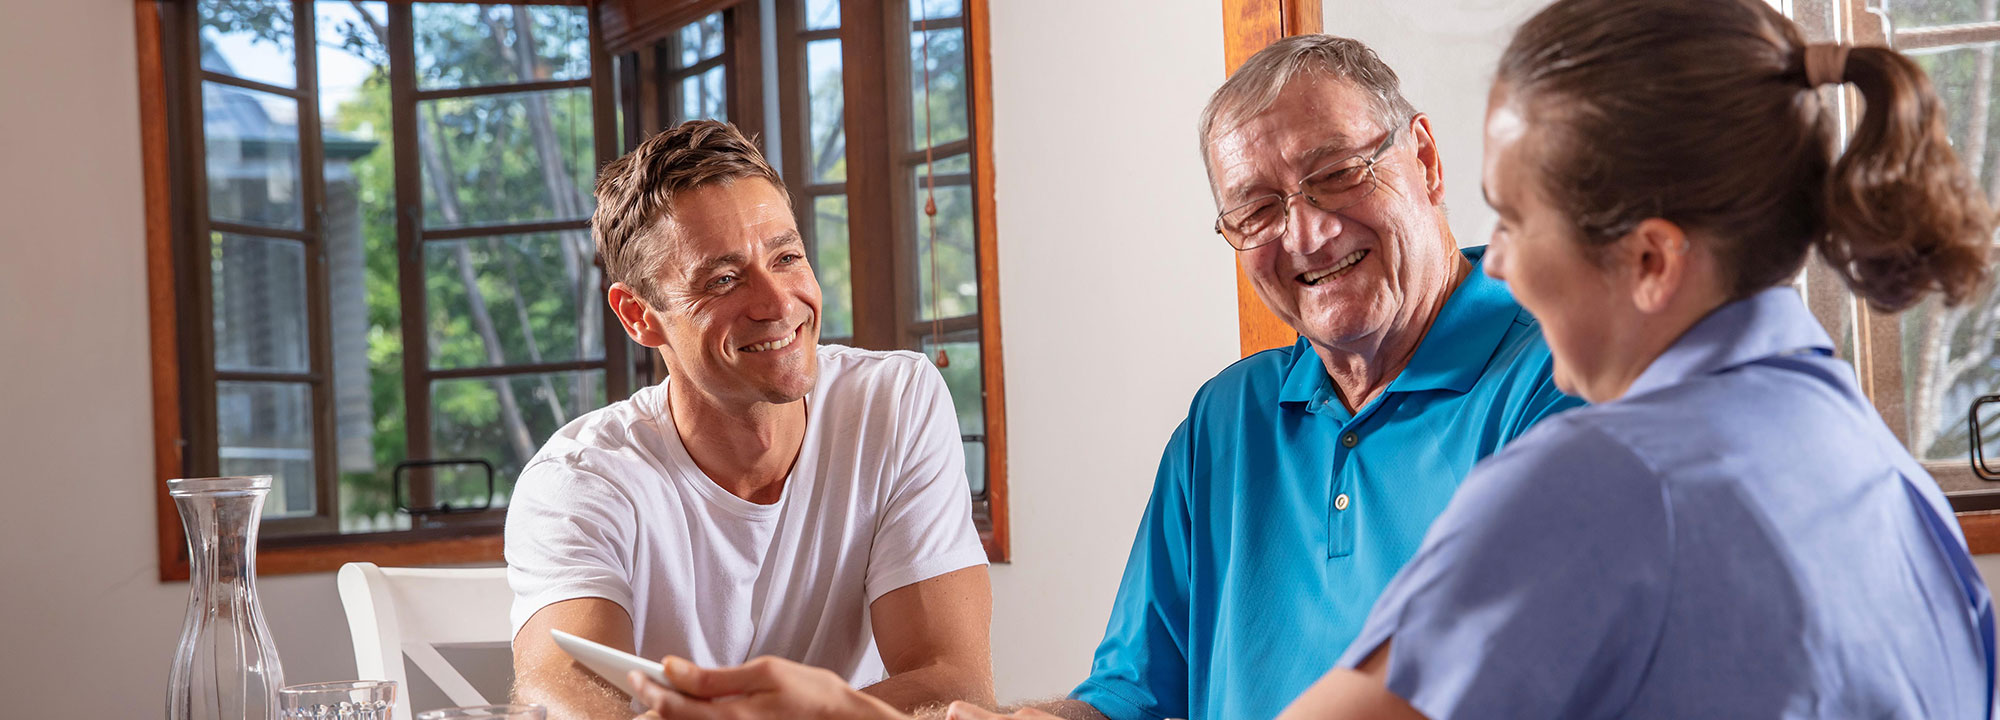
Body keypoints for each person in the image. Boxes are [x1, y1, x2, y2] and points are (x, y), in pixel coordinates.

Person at [626, 34, 1581, 720]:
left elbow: (1477, 685)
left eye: (1336, 174)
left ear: (1423, 156)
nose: (1306, 232)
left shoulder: (1559, 374)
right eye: (1255, 209)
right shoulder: (1226, 424)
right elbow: (1126, 696)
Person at [1272, 0, 1998, 717]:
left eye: (1516, 220)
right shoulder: (1894, 481)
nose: (1494, 263)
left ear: (1651, 260)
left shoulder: (1603, 484)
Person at [505, 119, 997, 718]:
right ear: (638, 315)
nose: (778, 303)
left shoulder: (893, 403)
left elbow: (954, 686)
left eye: (787, 256)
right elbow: (565, 697)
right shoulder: (580, 479)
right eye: (725, 279)